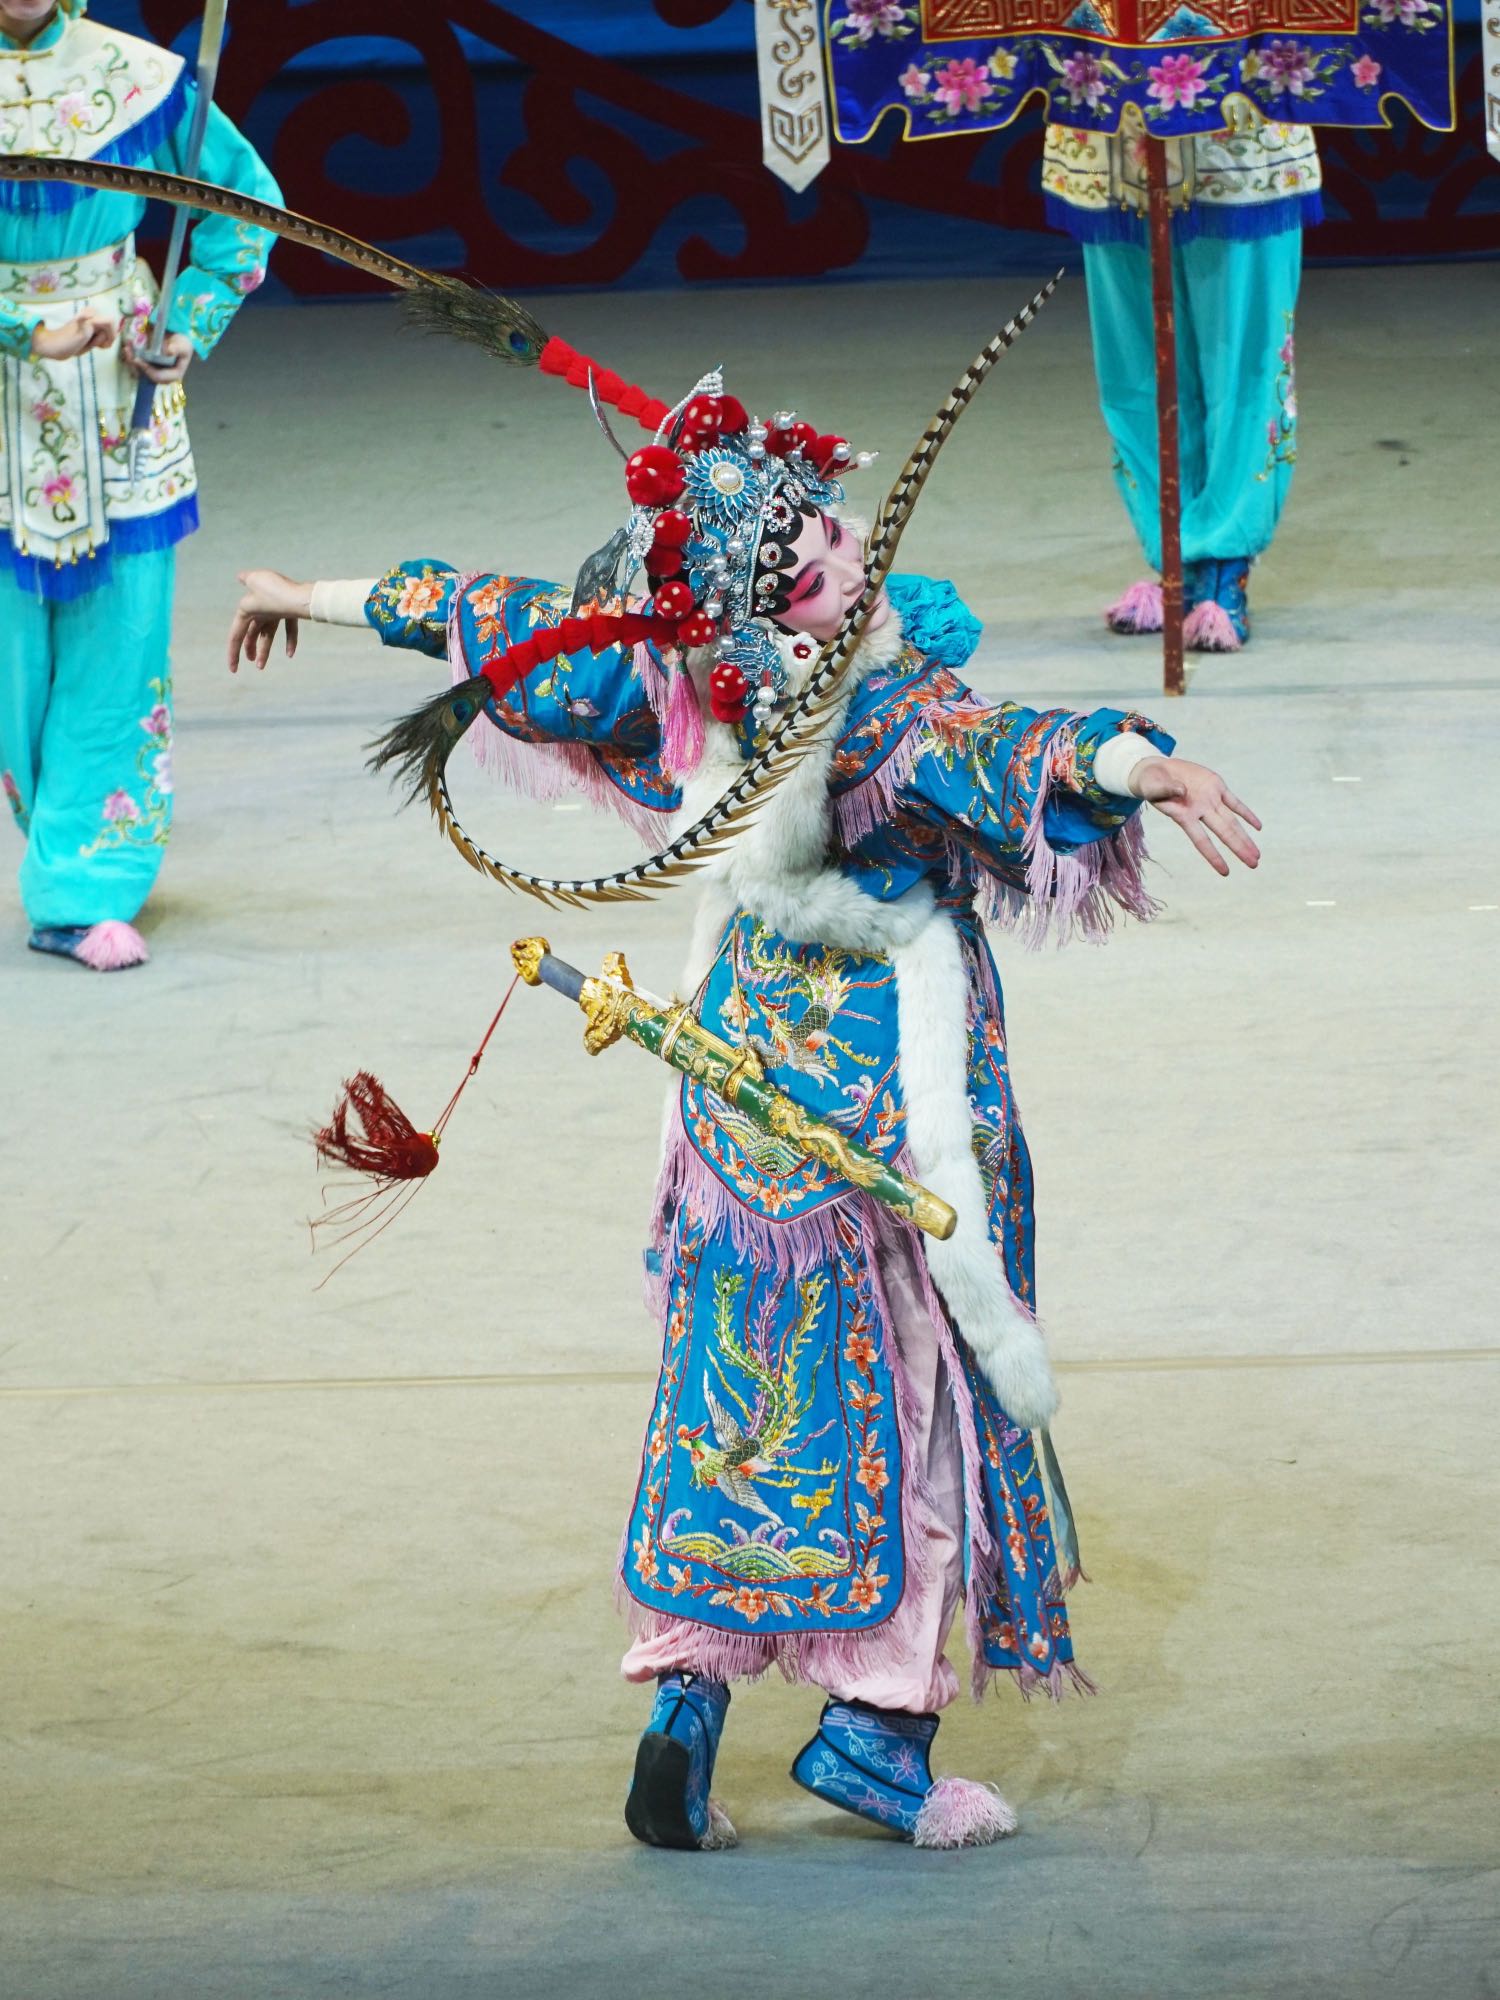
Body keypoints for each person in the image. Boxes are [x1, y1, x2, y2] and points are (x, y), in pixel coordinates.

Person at [227, 355, 1261, 1850]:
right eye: (828, 547)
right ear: (782, 608)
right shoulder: (872, 705)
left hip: (728, 1076)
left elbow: (494, 609)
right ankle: (877, 1740)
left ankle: (686, 1709)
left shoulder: (665, 685)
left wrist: (303, 592)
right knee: (912, 1389)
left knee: (732, 1380)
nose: (854, 546)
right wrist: (1130, 760)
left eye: (841, 528)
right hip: (879, 1089)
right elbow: (1001, 752)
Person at [0, 0, 277, 969]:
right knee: (11, 666)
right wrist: (17, 330)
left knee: (121, 656)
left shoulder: (143, 79)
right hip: (4, 409)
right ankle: (58, 841)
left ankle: (84, 885)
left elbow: (245, 211)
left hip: (119, 401)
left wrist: (185, 329)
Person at [1042, 99, 1320, 651]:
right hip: (1110, 134)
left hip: (1242, 133)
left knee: (1246, 365)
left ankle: (1224, 565)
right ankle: (1178, 559)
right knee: (1136, 371)